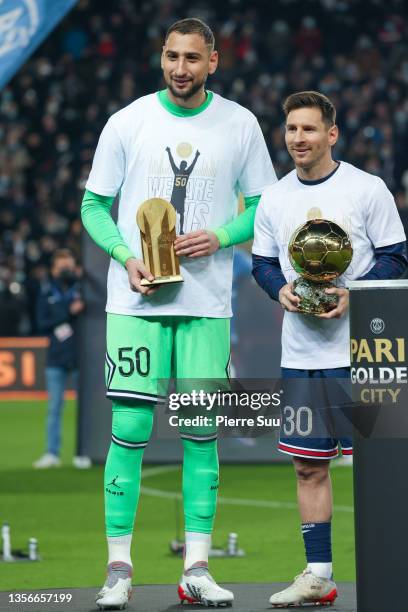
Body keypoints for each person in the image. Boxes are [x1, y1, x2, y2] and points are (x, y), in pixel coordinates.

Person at [81, 18, 276, 610]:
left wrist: (220, 237)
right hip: (135, 300)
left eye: (193, 57)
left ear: (213, 60)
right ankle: (119, 567)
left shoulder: (239, 123)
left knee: (200, 435)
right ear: (161, 58)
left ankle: (196, 567)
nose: (180, 67)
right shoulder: (129, 120)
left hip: (205, 307)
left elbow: (265, 206)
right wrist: (122, 255)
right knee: (132, 429)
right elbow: (94, 205)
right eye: (171, 56)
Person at [252, 90, 407, 608]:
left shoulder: (367, 189)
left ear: (331, 134)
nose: (299, 138)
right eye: (292, 129)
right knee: (308, 467)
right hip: (302, 355)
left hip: (367, 354)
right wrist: (281, 289)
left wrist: (351, 293)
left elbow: (396, 257)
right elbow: (263, 264)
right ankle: (318, 575)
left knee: (385, 465)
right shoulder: (274, 198)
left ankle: (397, 568)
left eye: (309, 129)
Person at [33, 249, 85, 468]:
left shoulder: (85, 290)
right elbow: (40, 324)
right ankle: (52, 453)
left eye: (69, 266)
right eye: (61, 267)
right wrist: (68, 312)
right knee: (55, 407)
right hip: (56, 358)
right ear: (54, 270)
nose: (65, 271)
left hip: (82, 356)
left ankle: (84, 453)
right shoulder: (46, 293)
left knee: (86, 409)